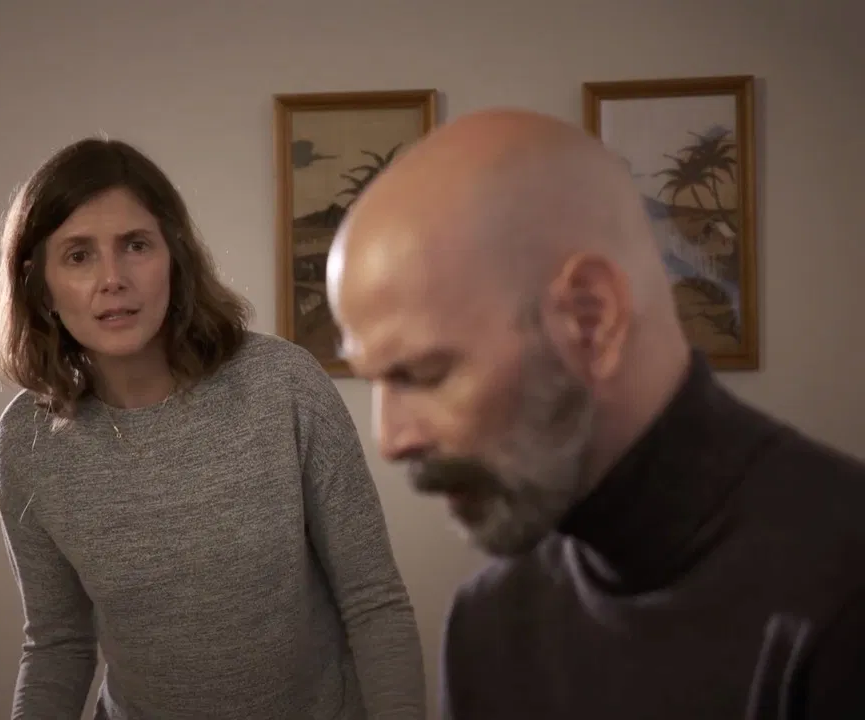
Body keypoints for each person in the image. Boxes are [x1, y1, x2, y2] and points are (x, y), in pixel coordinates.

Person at [325, 108, 865, 719]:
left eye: (425, 373)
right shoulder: (490, 625)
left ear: (590, 318)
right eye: (373, 380)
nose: (390, 439)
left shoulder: (845, 595)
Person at [0, 136, 426, 719]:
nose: (112, 278)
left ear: (176, 257)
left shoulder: (282, 385)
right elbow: (57, 644)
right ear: (39, 284)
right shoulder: (26, 442)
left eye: (135, 245)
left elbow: (373, 601)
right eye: (79, 255)